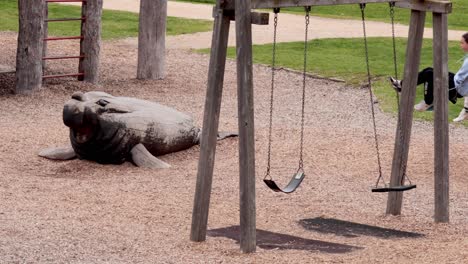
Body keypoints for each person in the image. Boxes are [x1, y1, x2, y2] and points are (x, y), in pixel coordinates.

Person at [389, 32, 468, 122]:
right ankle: (402, 85)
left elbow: (461, 80)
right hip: (455, 80)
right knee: (429, 70)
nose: (460, 45)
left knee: (429, 74)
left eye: (462, 43)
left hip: (456, 88)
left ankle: (428, 102)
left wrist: (466, 108)